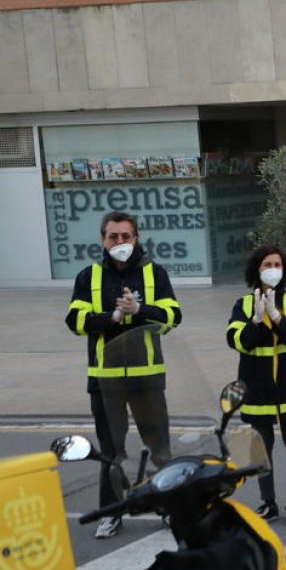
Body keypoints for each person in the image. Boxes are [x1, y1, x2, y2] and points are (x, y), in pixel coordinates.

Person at [65, 211, 182, 539]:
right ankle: (112, 512)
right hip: (106, 379)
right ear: (103, 240)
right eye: (113, 236)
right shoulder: (88, 277)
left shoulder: (154, 273)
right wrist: (112, 317)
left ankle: (168, 508)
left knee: (159, 449)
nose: (120, 242)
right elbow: (75, 321)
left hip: (147, 377)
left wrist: (140, 310)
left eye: (125, 236)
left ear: (136, 238)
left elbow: (173, 316)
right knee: (111, 452)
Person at [226, 245, 286, 526]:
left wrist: (276, 316)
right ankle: (268, 502)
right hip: (257, 389)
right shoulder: (243, 304)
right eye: (267, 264)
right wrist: (255, 320)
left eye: (278, 265)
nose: (273, 269)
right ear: (257, 269)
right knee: (261, 448)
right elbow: (237, 341)